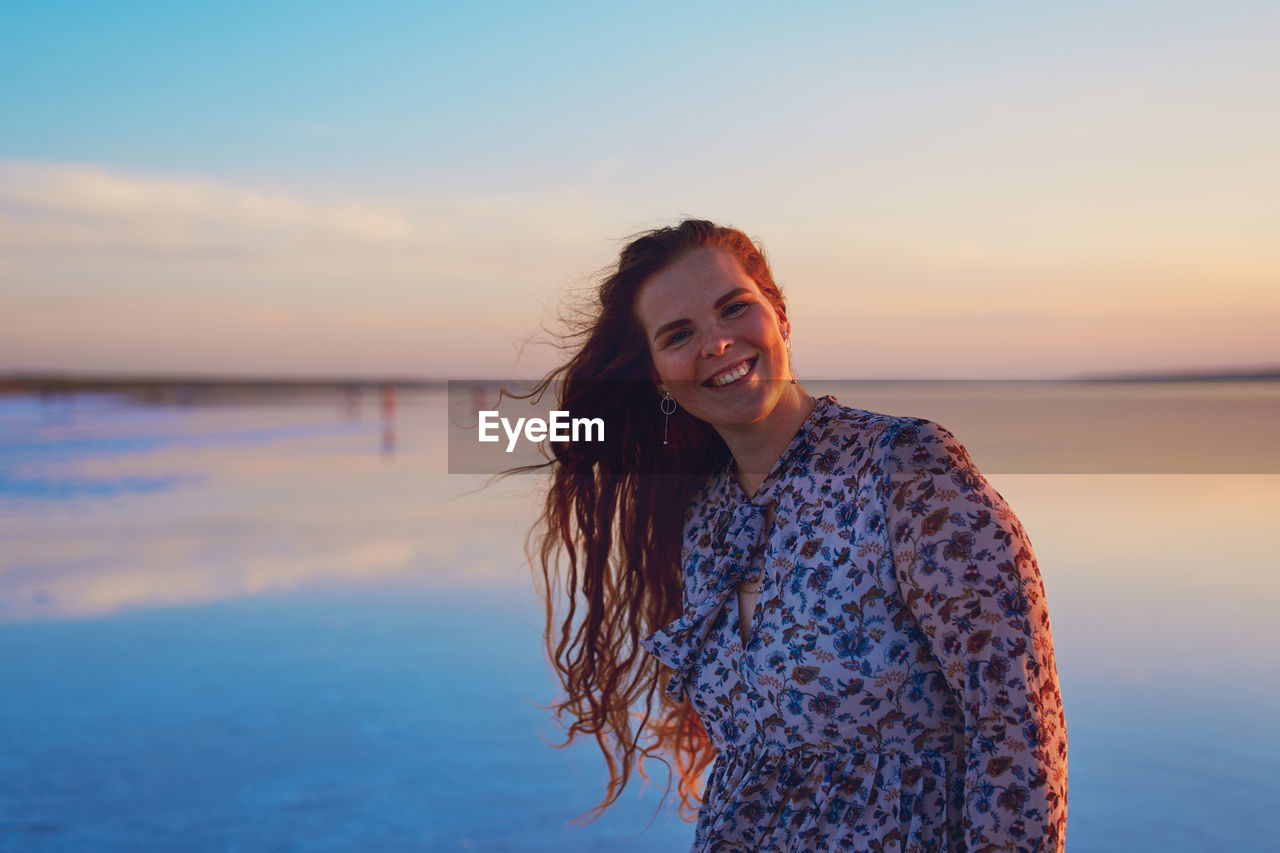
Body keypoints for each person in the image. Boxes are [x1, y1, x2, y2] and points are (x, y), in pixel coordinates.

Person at [516, 219, 1067, 851]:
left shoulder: (905, 468)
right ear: (659, 379)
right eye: (679, 334)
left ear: (778, 315)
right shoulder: (706, 517)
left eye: (734, 309)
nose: (717, 343)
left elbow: (1019, 731)